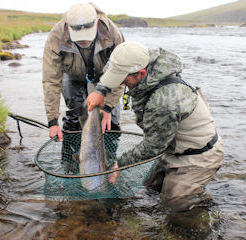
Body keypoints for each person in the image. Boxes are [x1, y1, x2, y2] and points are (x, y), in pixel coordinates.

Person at [86, 42, 224, 212]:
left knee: (174, 205)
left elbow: (153, 146)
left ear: (141, 74)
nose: (120, 82)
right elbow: (112, 68)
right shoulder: (142, 59)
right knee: (151, 188)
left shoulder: (164, 101)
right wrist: (100, 91)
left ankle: (203, 204)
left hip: (198, 155)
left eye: (123, 78)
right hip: (170, 147)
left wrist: (120, 164)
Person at [42, 2, 125, 142]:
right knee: (76, 114)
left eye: (87, 35)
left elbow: (120, 72)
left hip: (106, 76)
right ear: (68, 26)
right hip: (72, 74)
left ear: (96, 22)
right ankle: (73, 157)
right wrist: (52, 121)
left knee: (109, 120)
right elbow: (51, 80)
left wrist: (108, 106)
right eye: (79, 37)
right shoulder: (56, 36)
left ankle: (109, 159)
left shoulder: (112, 33)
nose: (84, 40)